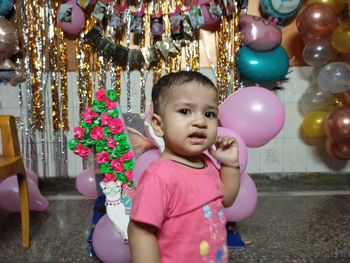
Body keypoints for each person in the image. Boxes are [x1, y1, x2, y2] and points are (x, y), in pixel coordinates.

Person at [128, 71, 241, 263]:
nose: (200, 122)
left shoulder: (206, 162)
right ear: (158, 125)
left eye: (209, 114)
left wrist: (230, 164)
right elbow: (140, 232)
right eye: (185, 111)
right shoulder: (159, 177)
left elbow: (226, 199)